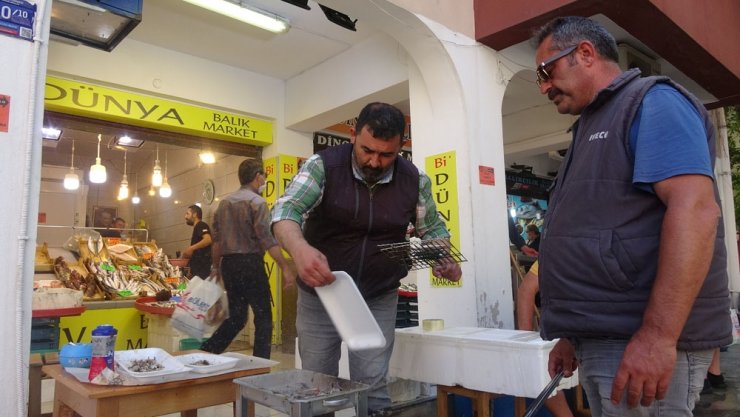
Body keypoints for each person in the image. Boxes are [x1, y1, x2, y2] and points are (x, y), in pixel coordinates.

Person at [531, 16, 731, 416]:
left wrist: (658, 336)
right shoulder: (591, 124)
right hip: (610, 338)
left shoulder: (652, 101)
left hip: (640, 339)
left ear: (584, 53)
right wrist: (574, 334)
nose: (544, 87)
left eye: (546, 71)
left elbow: (695, 210)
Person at [271, 102, 462, 414]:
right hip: (323, 293)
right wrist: (300, 249)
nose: (374, 161)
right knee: (316, 384)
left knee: (372, 385)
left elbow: (433, 228)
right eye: (367, 150)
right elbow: (285, 211)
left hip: (378, 294)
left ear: (402, 146)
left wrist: (444, 254)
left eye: (387, 155)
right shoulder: (323, 166)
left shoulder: (414, 180)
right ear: (352, 135)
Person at [200, 159, 296, 358]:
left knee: (237, 316)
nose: (264, 181)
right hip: (250, 264)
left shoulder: (224, 204)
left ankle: (207, 352)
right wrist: (285, 267)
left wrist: (216, 268)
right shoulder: (257, 202)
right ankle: (259, 366)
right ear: (257, 176)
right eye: (264, 177)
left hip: (229, 265)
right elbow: (266, 239)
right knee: (263, 317)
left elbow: (216, 242)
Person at [516, 260, 574, 417]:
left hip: (612, 331)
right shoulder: (560, 246)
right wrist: (527, 339)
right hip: (566, 330)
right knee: (542, 371)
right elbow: (526, 290)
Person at [183, 205, 212, 279]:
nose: (185, 217)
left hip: (203, 271)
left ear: (195, 214)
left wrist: (191, 248)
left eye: (187, 214)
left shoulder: (201, 225)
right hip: (197, 271)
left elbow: (208, 240)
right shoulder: (197, 228)